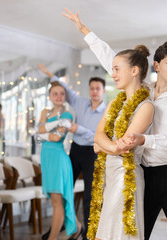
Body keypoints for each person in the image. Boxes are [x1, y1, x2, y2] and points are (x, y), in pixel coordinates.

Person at [63, 9, 167, 240]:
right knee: (135, 232)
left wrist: (144, 139)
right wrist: (84, 30)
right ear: (156, 65)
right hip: (144, 170)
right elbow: (113, 60)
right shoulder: (144, 91)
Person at [92, 45, 154, 239]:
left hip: (126, 177)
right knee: (105, 234)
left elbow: (124, 145)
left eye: (117, 69)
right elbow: (97, 137)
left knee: (120, 234)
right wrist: (110, 146)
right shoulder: (113, 103)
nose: (113, 74)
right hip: (109, 175)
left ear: (134, 71)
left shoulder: (146, 107)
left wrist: (104, 146)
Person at [38, 64, 106, 240]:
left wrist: (78, 129)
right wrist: (50, 74)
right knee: (64, 191)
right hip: (75, 151)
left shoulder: (107, 112)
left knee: (89, 195)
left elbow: (98, 136)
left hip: (93, 153)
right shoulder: (81, 102)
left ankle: (87, 235)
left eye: (98, 89)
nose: (94, 92)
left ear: (103, 91)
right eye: (92, 88)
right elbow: (64, 90)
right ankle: (70, 226)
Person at [37, 82, 82, 240]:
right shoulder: (45, 111)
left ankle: (52, 238)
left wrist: (43, 133)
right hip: (47, 159)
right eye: (55, 93)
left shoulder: (67, 115)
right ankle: (77, 228)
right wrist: (54, 125)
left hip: (58, 159)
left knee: (58, 200)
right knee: (58, 201)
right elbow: (39, 130)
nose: (58, 96)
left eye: (62, 93)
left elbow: (55, 137)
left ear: (65, 96)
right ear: (49, 96)